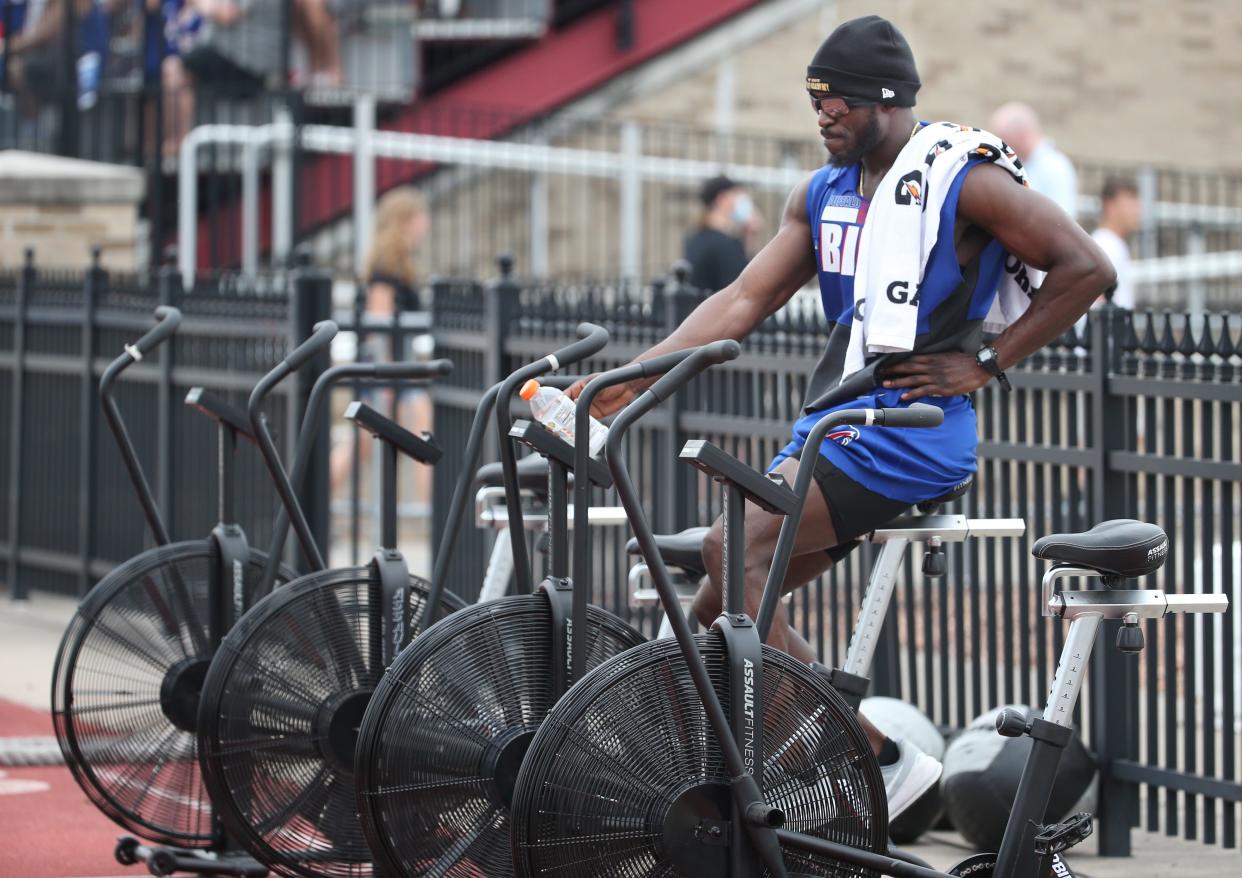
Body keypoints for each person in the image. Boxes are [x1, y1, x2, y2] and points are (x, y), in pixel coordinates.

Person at [570, 14, 1114, 819]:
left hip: (910, 434)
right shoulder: (821, 193)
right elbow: (742, 299)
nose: (822, 113)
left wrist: (988, 362)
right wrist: (624, 381)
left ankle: (868, 758)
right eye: (814, 99)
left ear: (887, 104)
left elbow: (1087, 267)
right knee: (714, 621)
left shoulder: (963, 180)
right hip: (836, 422)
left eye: (838, 101)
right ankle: (723, 786)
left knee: (733, 543)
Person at [329, 188, 434, 501]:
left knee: (364, 443)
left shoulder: (393, 264)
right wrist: (387, 377)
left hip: (392, 370)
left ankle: (310, 505)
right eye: (420, 217)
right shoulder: (387, 268)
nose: (425, 223)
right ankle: (439, 520)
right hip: (389, 370)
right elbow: (379, 325)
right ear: (405, 221)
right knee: (419, 438)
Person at [989, 100, 1078, 219]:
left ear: (1021, 135)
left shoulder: (1054, 167)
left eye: (1004, 140)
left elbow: (1063, 218)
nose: (1000, 148)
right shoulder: (1026, 164)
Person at [683, 174, 760, 292]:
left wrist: (748, 235)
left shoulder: (693, 239)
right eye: (735, 195)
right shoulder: (726, 245)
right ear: (722, 198)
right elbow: (743, 287)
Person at [1090, 177, 1140, 309]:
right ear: (1110, 205)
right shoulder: (1105, 245)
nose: (1137, 209)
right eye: (1130, 202)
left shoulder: (1115, 244)